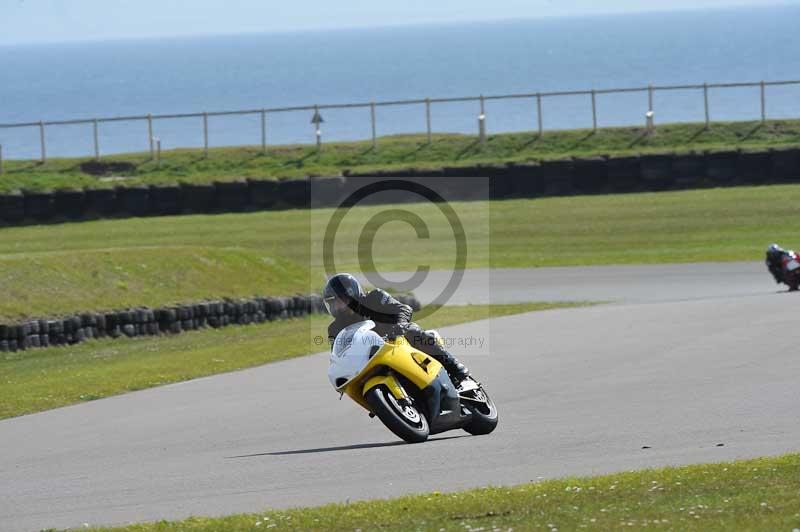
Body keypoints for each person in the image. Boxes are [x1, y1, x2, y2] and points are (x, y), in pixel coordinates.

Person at [323, 273, 470, 385]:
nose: (337, 307)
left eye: (340, 301)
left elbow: (403, 309)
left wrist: (399, 326)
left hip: (397, 338)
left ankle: (454, 367)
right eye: (333, 303)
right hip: (371, 357)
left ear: (352, 295)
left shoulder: (375, 297)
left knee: (413, 331)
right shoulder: (335, 328)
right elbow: (338, 353)